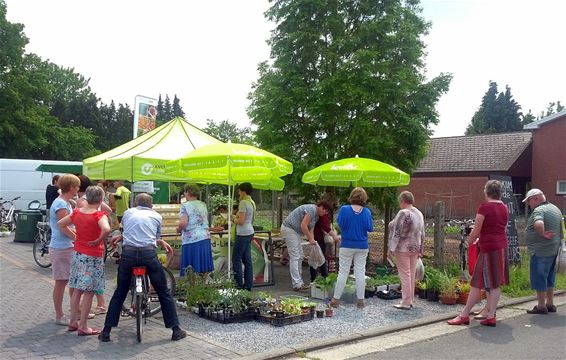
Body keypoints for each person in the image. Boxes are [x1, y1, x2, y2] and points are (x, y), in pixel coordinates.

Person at [99, 193, 187, 342]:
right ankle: (175, 330)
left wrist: (122, 237)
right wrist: (160, 242)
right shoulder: (156, 216)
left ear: (135, 203)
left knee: (120, 292)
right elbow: (154, 236)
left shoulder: (128, 213)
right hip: (148, 255)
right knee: (163, 292)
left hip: (128, 255)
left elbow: (127, 231)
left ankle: (106, 332)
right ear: (151, 205)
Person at [448, 180, 509, 327]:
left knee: (479, 282)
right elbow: (503, 227)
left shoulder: (485, 207)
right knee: (493, 283)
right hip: (500, 246)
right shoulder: (505, 208)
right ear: (499, 192)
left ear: (486, 192)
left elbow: (476, 230)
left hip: (488, 249)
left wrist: (470, 242)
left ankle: (465, 315)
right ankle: (490, 314)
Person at [58, 186, 110, 335]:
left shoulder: (76, 212)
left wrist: (76, 236)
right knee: (89, 291)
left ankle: (73, 321)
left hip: (78, 253)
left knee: (77, 289)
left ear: (86, 198)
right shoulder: (99, 215)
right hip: (93, 255)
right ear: (101, 199)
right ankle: (83, 325)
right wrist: (97, 240)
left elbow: (60, 223)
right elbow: (106, 229)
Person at [331, 187, 373, 309]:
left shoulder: (344, 209)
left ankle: (336, 300)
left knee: (343, 272)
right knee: (360, 272)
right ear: (364, 198)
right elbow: (370, 228)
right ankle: (360, 300)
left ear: (351, 197)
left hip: (347, 245)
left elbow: (340, 225)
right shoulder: (367, 212)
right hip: (362, 245)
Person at [522, 188, 563, 315]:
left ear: (536, 199)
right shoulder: (555, 208)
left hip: (540, 251)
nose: (529, 205)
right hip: (553, 249)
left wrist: (542, 233)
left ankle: (541, 305)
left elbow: (539, 224)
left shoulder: (539, 210)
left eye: (529, 201)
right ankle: (550, 303)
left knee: (539, 277)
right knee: (550, 277)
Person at [281, 200, 333, 291]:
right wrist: (310, 238)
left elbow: (311, 229)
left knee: (300, 256)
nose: (325, 213)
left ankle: (299, 282)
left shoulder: (316, 216)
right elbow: (303, 225)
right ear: (321, 207)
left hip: (295, 232)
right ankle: (297, 284)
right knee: (295, 256)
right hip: (289, 229)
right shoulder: (311, 210)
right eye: (325, 211)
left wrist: (312, 241)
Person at [49, 174, 80, 326]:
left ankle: (75, 311)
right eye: (77, 187)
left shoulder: (65, 202)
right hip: (61, 247)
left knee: (72, 280)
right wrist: (78, 238)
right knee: (61, 282)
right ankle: (60, 315)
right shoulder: (61, 204)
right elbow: (64, 227)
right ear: (71, 187)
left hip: (66, 246)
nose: (79, 189)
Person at [388, 191, 425, 310]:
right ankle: (410, 299)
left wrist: (392, 247)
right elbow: (422, 233)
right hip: (415, 246)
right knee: (411, 273)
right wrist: (421, 248)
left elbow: (397, 232)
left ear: (403, 201)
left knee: (405, 274)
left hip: (402, 247)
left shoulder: (403, 213)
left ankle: (405, 301)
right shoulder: (418, 213)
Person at [176, 184, 214, 277]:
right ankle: (203, 287)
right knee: (203, 265)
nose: (184, 194)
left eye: (185, 192)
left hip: (191, 239)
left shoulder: (185, 206)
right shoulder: (203, 204)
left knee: (191, 267)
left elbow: (183, 223)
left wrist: (178, 229)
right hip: (205, 237)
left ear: (188, 192)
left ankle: (192, 289)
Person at [232, 183, 256, 291]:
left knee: (236, 259)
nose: (238, 193)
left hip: (242, 233)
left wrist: (233, 219)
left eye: (239, 191)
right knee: (247, 260)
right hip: (250, 231)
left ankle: (238, 284)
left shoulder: (243, 203)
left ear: (243, 191)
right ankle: (248, 284)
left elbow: (241, 221)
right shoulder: (252, 202)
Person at [309, 212, 339, 282]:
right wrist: (334, 235)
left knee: (317, 257)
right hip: (319, 238)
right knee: (320, 257)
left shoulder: (318, 213)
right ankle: (323, 276)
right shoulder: (323, 214)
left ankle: (316, 277)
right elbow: (325, 226)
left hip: (317, 238)